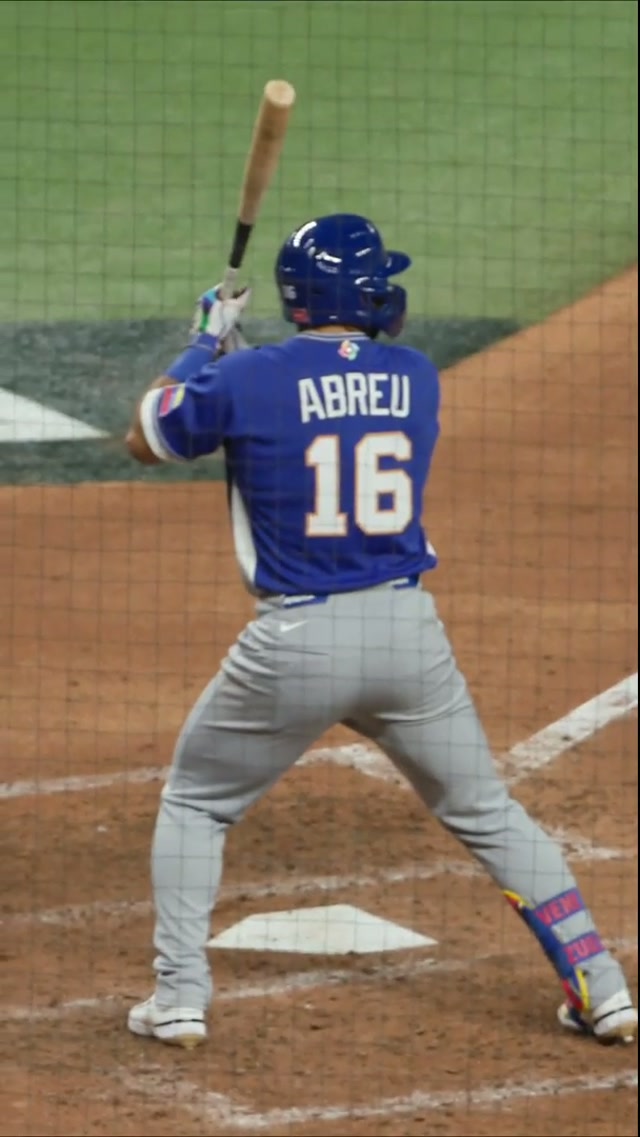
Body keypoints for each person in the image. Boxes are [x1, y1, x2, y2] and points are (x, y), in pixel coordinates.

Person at [125, 213, 636, 1050]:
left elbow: (147, 438)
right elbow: (331, 393)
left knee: (195, 802)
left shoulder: (248, 377)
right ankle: (603, 987)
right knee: (485, 809)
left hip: (296, 645)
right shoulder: (417, 374)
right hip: (407, 638)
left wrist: (202, 344)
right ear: (352, 295)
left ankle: (179, 997)